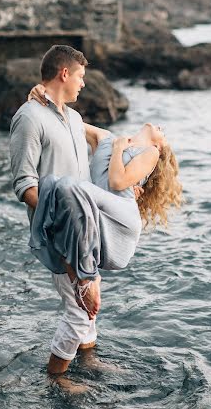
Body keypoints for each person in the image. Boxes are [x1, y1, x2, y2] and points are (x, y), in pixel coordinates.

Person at [27, 84, 183, 319]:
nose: (162, 129)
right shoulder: (106, 137)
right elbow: (66, 122)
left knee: (64, 185)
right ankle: (87, 343)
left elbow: (118, 181)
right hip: (95, 217)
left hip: (120, 220)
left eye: (164, 136)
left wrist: (120, 149)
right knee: (56, 186)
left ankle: (88, 278)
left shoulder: (150, 153)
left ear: (159, 146)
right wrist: (43, 96)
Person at [10, 44, 98, 385]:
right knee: (78, 309)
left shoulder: (75, 119)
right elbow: (23, 185)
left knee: (89, 305)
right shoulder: (29, 117)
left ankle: (88, 360)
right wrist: (63, 215)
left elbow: (102, 146)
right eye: (80, 76)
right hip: (59, 231)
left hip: (86, 231)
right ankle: (56, 376)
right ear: (64, 73)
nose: (83, 84)